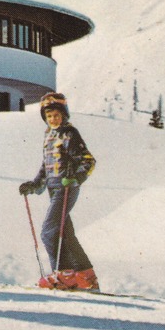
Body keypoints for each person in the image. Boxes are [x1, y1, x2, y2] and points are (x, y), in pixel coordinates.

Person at [18, 91, 98, 291]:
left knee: (49, 231)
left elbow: (88, 161)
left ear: (64, 115)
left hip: (66, 187)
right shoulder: (49, 135)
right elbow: (46, 167)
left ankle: (63, 274)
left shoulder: (69, 133)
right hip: (53, 189)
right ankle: (85, 276)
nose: (53, 119)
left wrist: (76, 179)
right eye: (49, 116)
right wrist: (34, 185)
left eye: (56, 115)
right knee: (65, 233)